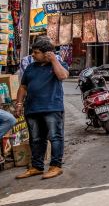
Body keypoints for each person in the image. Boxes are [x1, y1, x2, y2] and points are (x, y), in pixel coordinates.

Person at [15, 38, 70, 180]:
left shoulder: (58, 64)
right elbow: (23, 87)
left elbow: (63, 76)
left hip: (52, 108)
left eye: (36, 52)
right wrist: (19, 104)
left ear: (47, 54)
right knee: (36, 139)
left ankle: (55, 166)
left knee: (55, 137)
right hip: (32, 109)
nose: (33, 55)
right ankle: (37, 166)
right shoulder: (30, 67)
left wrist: (53, 60)